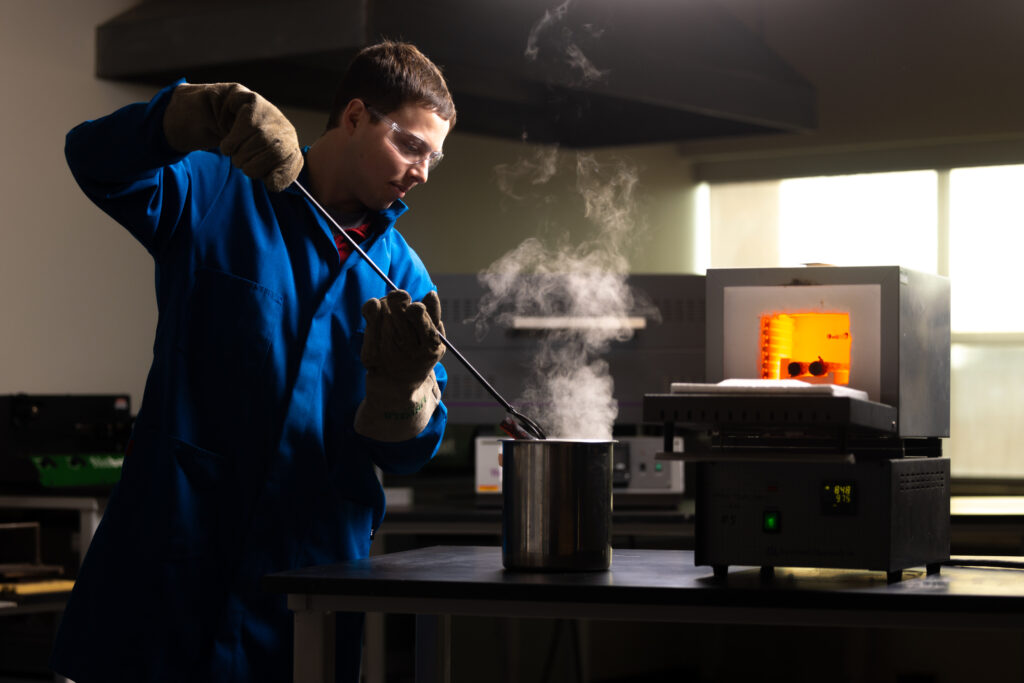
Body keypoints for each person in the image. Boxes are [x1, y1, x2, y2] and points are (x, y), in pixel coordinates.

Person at [50, 41, 455, 683]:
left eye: (434, 157)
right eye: (411, 146)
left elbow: (409, 454)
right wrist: (189, 113)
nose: (423, 172)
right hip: (175, 560)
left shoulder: (403, 278)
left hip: (305, 582)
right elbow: (95, 161)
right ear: (354, 117)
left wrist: (404, 392)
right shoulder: (219, 191)